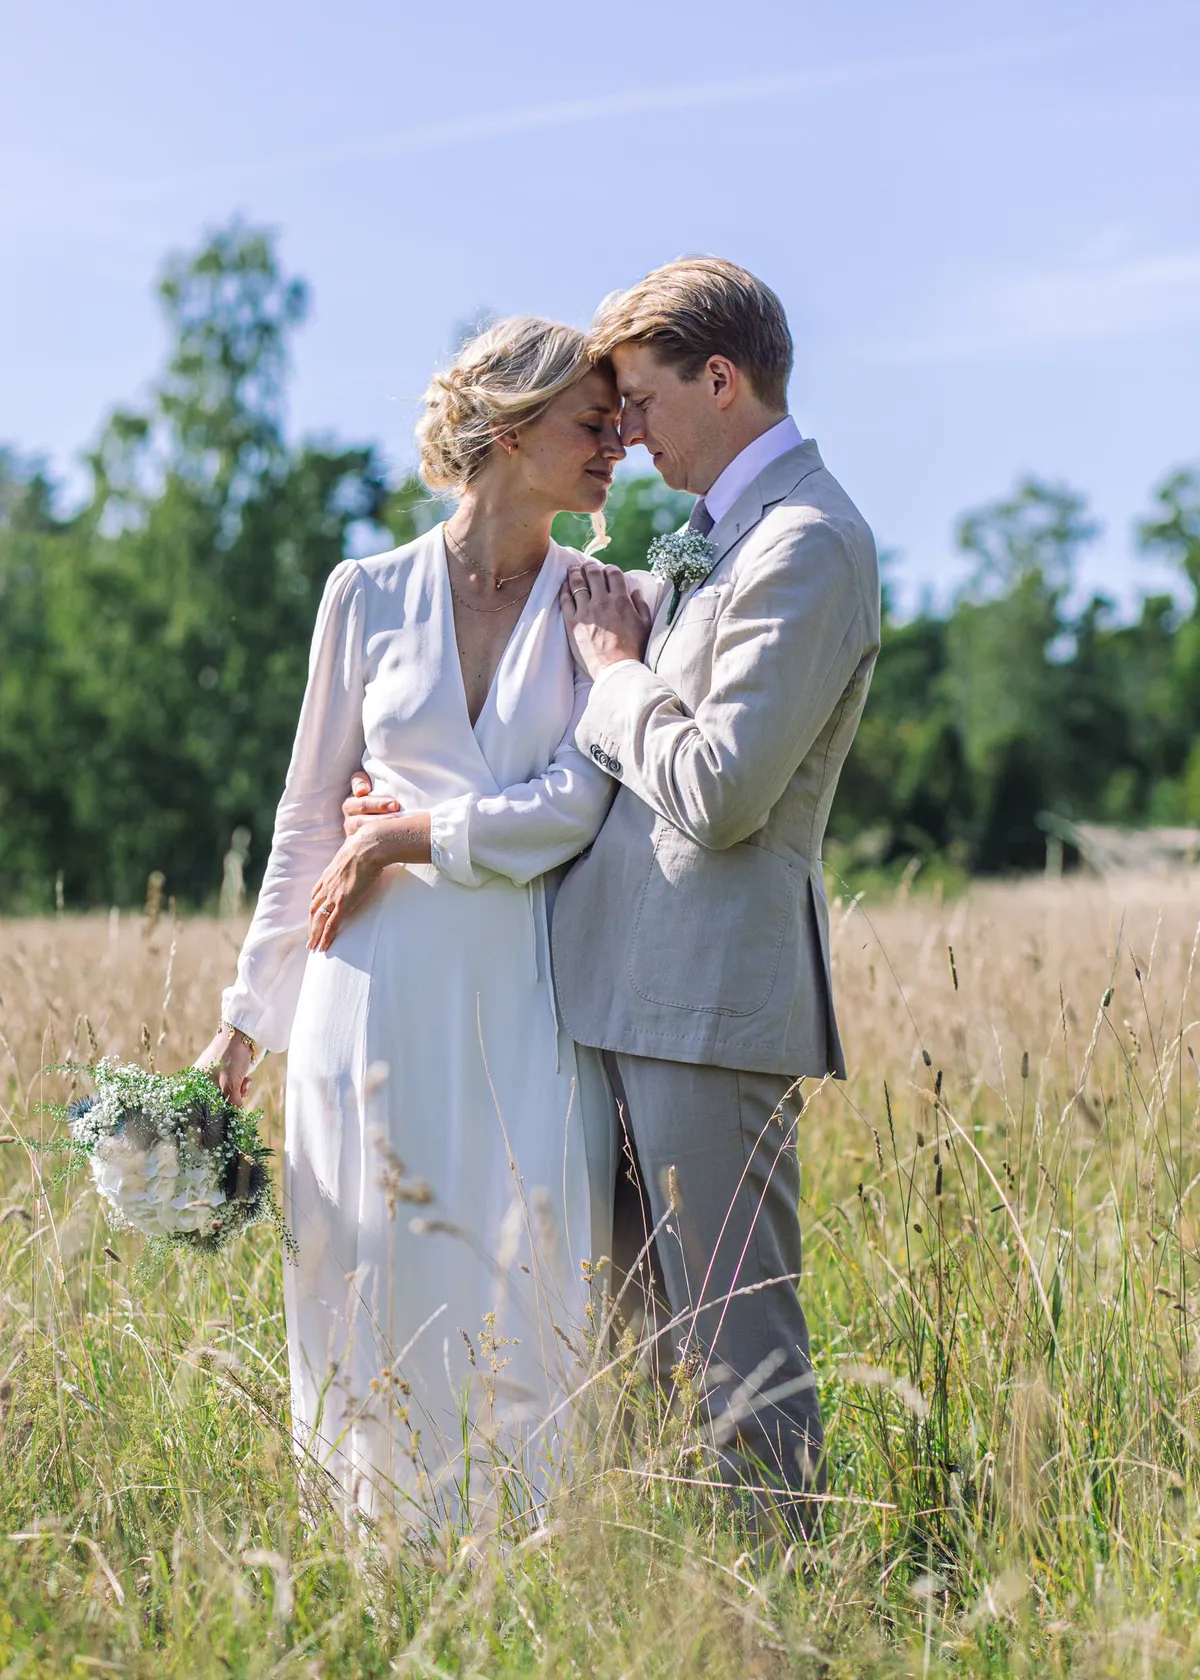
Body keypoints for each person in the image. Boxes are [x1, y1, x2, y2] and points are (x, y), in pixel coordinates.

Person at [196, 316, 639, 1526]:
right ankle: (367, 1563)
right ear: (509, 427)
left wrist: (406, 830)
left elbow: (580, 806)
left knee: (523, 1280)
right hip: (366, 999)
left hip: (525, 1008)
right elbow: (303, 822)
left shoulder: (612, 602)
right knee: (368, 1283)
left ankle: (525, 1571)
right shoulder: (365, 592)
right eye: (591, 423)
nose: (619, 446)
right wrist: (246, 1024)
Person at [551, 257, 880, 1528]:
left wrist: (612, 672)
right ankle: (671, 1617)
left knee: (745, 1376)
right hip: (624, 998)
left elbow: (726, 789)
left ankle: (789, 1628)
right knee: (636, 1362)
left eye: (638, 400)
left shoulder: (809, 542)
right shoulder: (725, 538)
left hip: (711, 1006)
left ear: (722, 379)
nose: (625, 436)